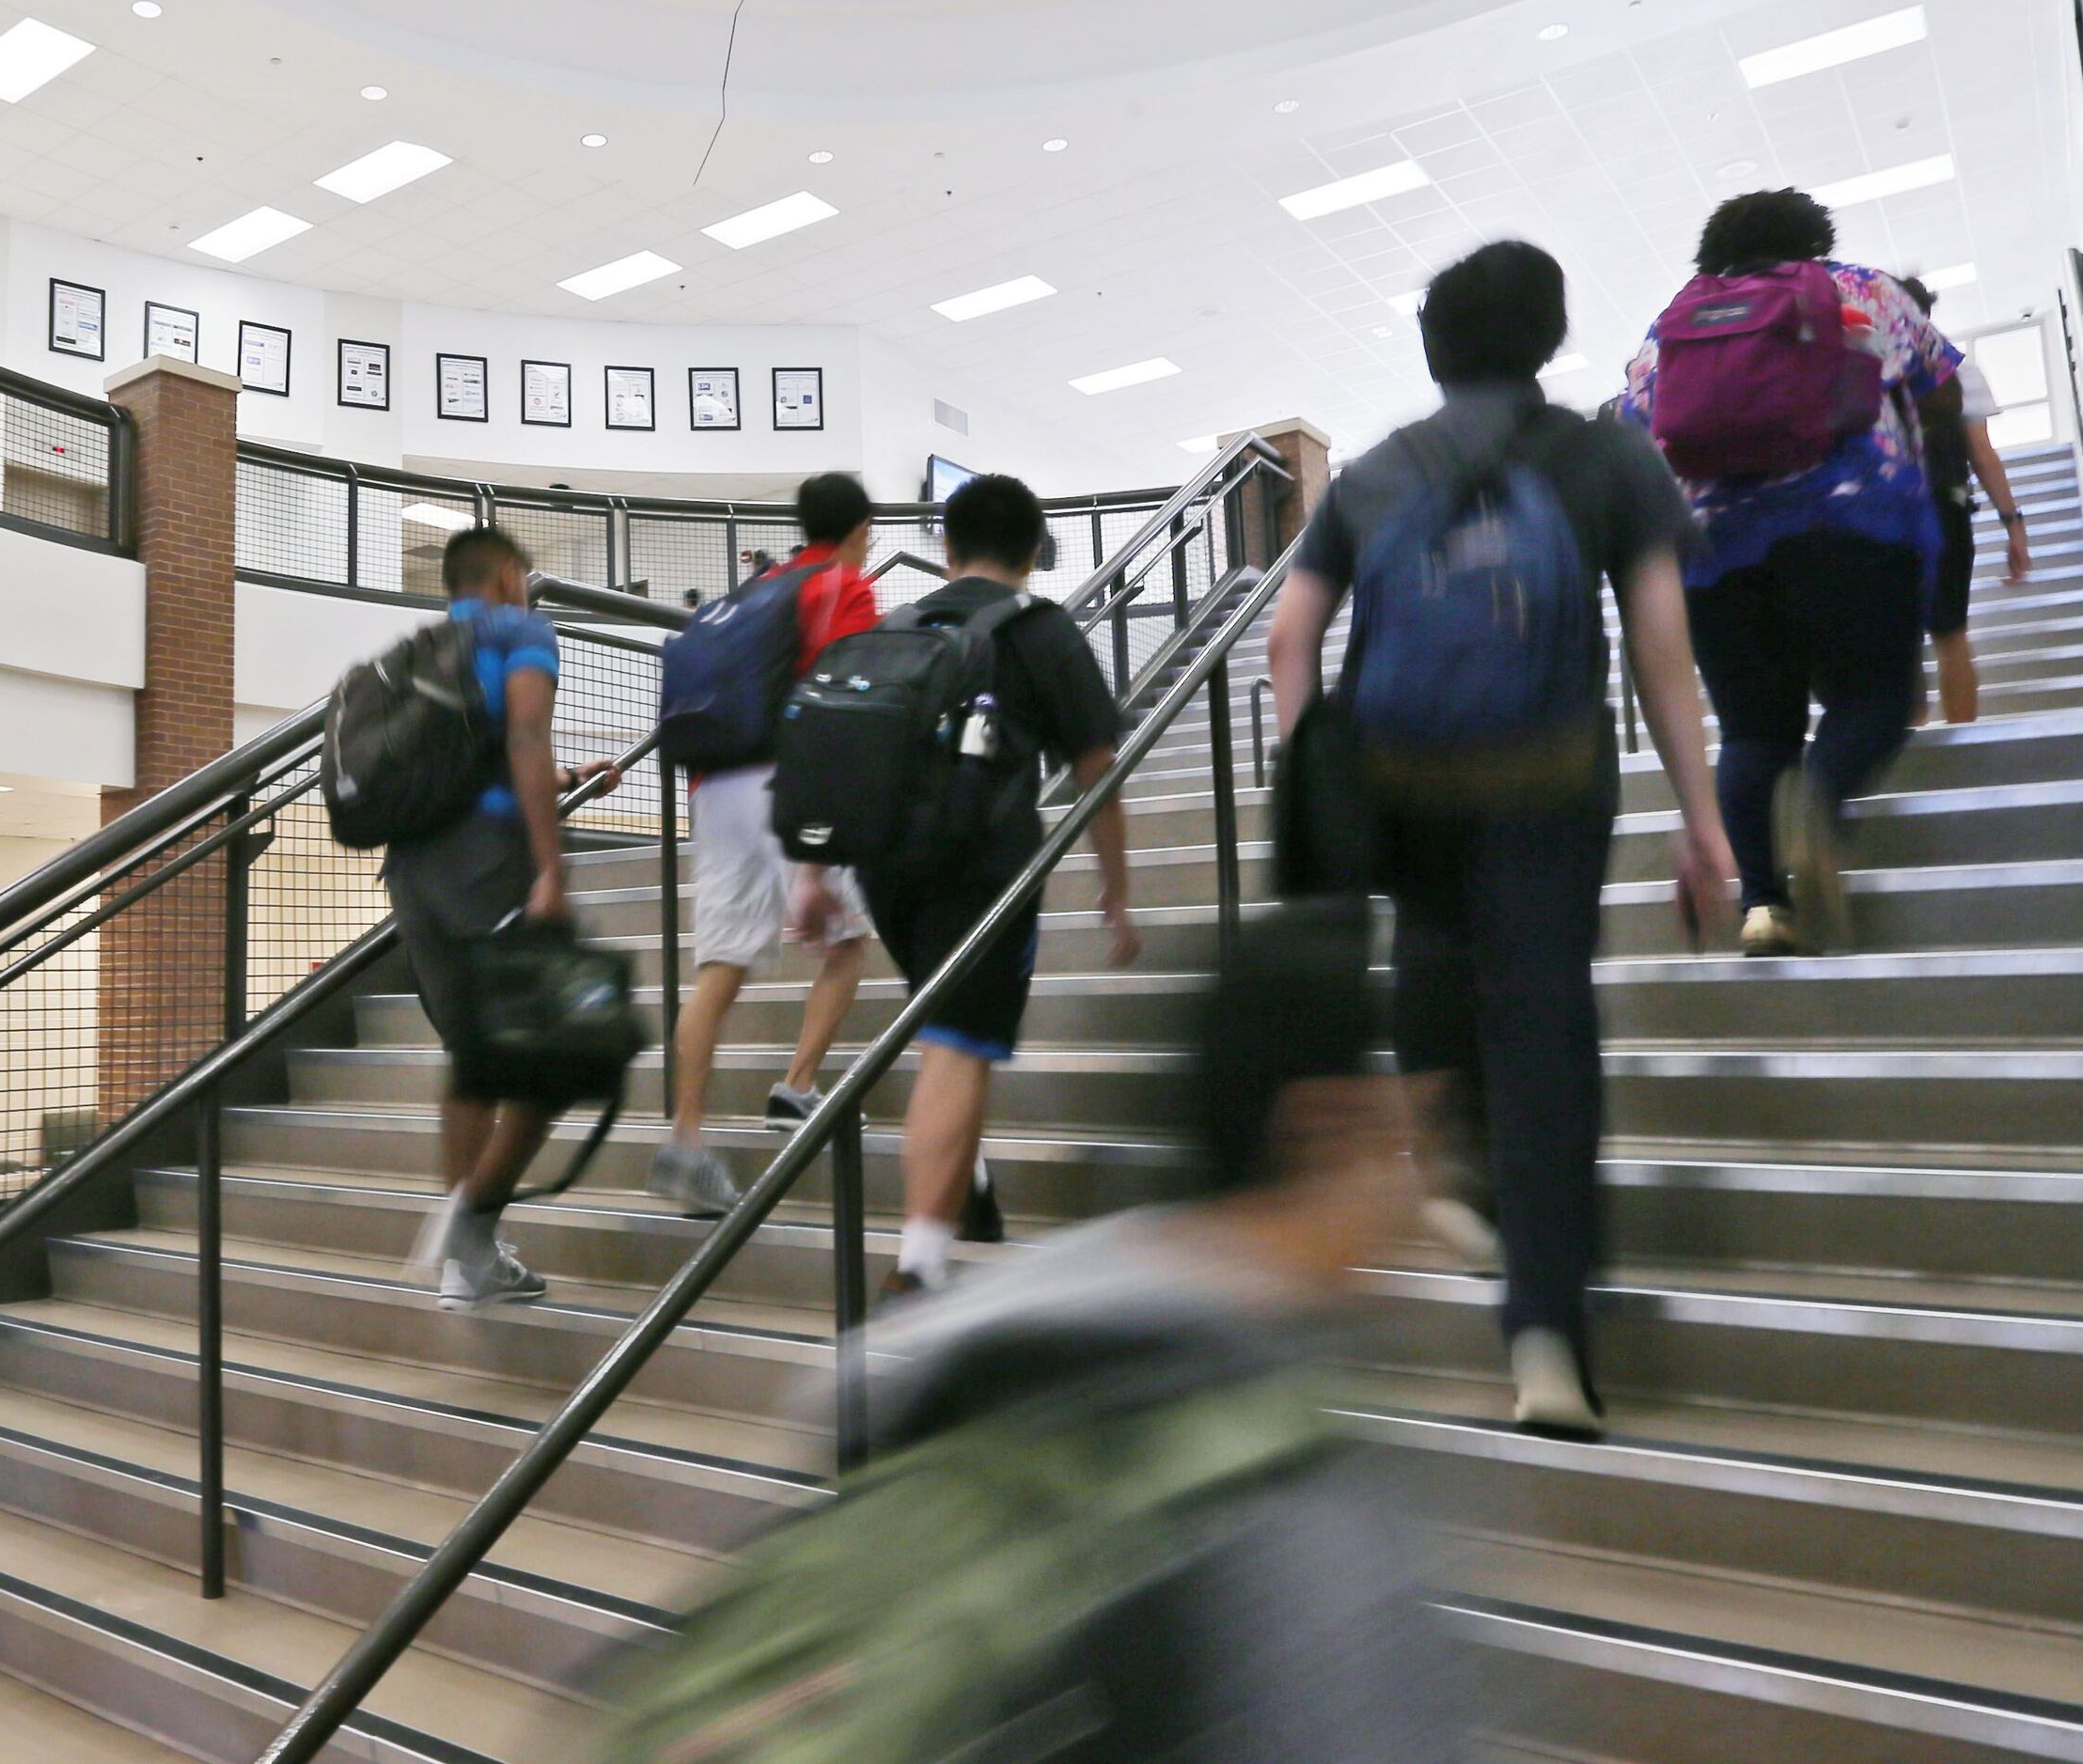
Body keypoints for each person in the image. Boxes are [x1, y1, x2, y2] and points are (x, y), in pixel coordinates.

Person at [600, 905, 1460, 1764]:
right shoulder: (1281, 1499)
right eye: (1418, 1135)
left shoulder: (985, 1375)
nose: (1429, 1189)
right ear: (1323, 1126)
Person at [1270, 238, 1733, 1438]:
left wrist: (1314, 769)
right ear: (1549, 334)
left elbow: (1288, 639)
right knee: (1544, 1033)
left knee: (1431, 956)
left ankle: (1448, 1157)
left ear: (1434, 348)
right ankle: (1544, 1340)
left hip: (1404, 782)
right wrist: (1702, 820)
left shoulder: (1374, 472)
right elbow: (1663, 651)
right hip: (1546, 783)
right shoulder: (1606, 457)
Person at [1622, 190, 1964, 955]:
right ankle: (1817, 797)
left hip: (1717, 552)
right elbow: (1943, 390)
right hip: (1854, 523)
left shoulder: (1667, 327)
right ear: (1814, 238)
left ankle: (1764, 908)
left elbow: (1638, 428)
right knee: (1874, 696)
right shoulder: (1862, 289)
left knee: (1750, 733)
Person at [864, 474, 1139, 1301]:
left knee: (949, 1033)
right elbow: (1097, 767)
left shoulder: (896, 624)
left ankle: (969, 1188)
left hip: (883, 869)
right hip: (979, 865)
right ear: (1033, 552)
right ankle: (919, 1262)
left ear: (946, 549)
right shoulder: (1041, 630)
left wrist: (814, 876)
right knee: (958, 1045)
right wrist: (1116, 890)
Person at [387, 526, 619, 1312]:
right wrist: (551, 866)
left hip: (415, 877)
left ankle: (468, 1266)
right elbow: (522, 731)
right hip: (489, 871)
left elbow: (473, 760)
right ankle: (469, 1224)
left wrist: (566, 778)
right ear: (510, 576)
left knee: (473, 1059)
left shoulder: (421, 650)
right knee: (559, 1059)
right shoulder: (522, 629)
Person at [647, 471, 884, 1219]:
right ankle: (798, 1086)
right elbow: (840, 703)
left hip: (712, 788)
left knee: (720, 964)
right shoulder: (845, 585)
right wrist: (820, 842)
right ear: (860, 528)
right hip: (787, 776)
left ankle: (686, 1142)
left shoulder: (758, 587)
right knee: (845, 943)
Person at [1898, 273, 2033, 725]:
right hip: (1944, 506)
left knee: (1900, 637)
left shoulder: (1861, 367)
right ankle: (1961, 742)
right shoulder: (1954, 368)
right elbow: (1981, 451)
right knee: (1951, 633)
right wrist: (2013, 523)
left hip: (1881, 514)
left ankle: (1915, 741)